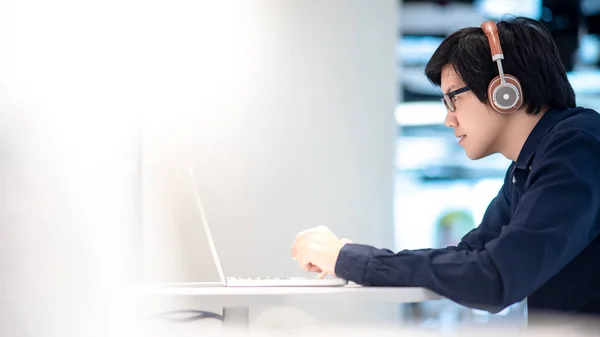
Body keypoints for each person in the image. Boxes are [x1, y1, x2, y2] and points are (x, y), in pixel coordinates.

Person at [291, 16, 600, 318]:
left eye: (453, 99)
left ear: (504, 91)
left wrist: (350, 260)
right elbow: (470, 256)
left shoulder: (577, 147)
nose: (449, 119)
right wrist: (353, 257)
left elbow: (495, 278)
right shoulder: (526, 168)